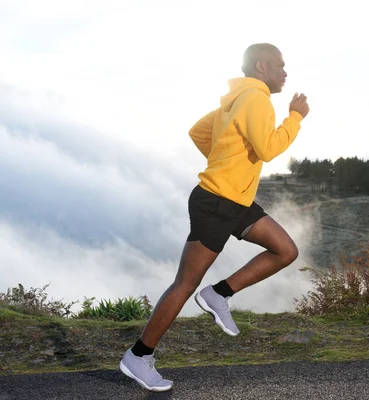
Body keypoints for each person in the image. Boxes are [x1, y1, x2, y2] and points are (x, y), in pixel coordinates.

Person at [118, 43, 310, 392]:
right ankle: (138, 356)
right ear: (261, 66)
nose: (285, 72)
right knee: (184, 284)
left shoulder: (236, 98)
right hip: (218, 202)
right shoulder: (257, 99)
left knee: (285, 250)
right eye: (280, 66)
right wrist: (294, 117)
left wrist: (227, 162)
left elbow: (199, 133)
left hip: (232, 200)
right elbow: (268, 148)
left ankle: (219, 294)